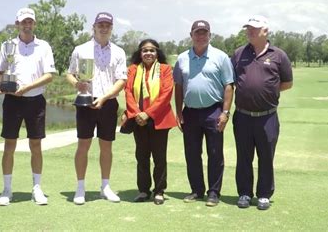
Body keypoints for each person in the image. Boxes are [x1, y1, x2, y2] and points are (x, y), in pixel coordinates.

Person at [0, 7, 56, 206]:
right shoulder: (7, 45)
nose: (27, 25)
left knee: (35, 145)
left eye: (30, 22)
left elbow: (49, 75)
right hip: (12, 101)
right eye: (23, 22)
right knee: (9, 145)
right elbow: (0, 71)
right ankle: (7, 190)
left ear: (34, 24)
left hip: (35, 100)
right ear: (17, 24)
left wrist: (28, 86)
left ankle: (36, 188)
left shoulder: (43, 46)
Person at [231, 15, 293, 210]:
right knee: (243, 157)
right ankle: (244, 193)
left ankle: (264, 194)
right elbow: (230, 81)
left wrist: (267, 92)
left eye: (254, 29)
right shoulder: (239, 53)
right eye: (248, 28)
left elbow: (287, 83)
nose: (250, 31)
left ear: (265, 31)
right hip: (242, 116)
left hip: (267, 116)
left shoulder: (279, 55)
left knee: (266, 157)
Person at [66, 12, 127, 205]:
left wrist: (105, 97)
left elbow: (121, 80)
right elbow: (70, 74)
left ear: (111, 28)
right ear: (94, 26)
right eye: (100, 24)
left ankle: (105, 186)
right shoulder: (81, 49)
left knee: (106, 146)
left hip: (108, 102)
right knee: (83, 145)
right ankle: (80, 187)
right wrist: (77, 84)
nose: (103, 28)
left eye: (107, 25)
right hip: (85, 101)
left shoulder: (118, 51)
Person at [173, 20, 234, 207]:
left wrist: (225, 112)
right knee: (192, 153)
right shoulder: (182, 58)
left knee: (215, 153)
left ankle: (213, 192)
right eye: (197, 33)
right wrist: (179, 113)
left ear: (210, 35)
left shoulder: (221, 57)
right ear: (191, 35)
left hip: (213, 111)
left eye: (204, 33)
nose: (201, 36)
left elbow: (228, 85)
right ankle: (197, 190)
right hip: (190, 112)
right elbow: (179, 86)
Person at [122, 39, 178, 205]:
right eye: (145, 50)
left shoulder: (165, 69)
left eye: (152, 50)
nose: (148, 53)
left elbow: (166, 94)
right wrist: (137, 114)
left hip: (159, 119)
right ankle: (143, 190)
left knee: (159, 158)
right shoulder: (132, 70)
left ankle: (159, 191)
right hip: (138, 119)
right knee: (142, 156)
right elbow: (128, 92)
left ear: (157, 53)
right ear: (140, 53)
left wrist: (148, 114)